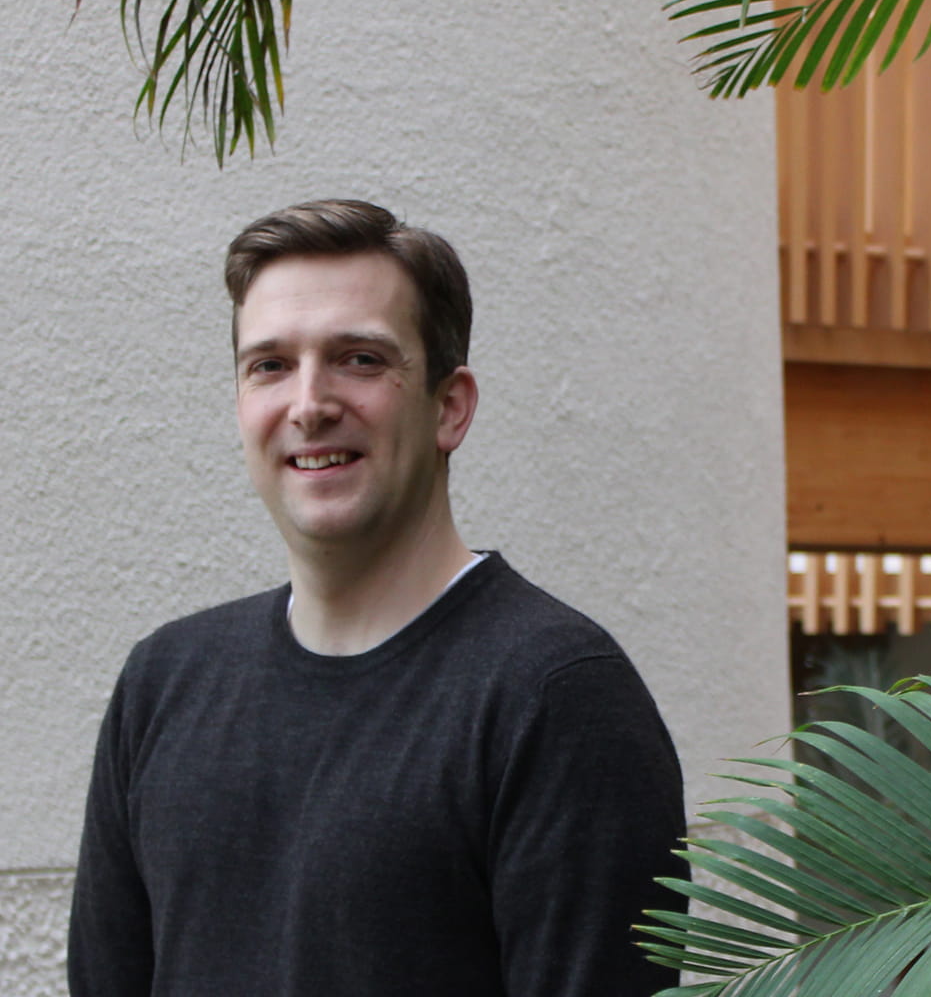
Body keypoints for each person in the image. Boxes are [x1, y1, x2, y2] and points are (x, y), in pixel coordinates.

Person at [68, 199, 688, 996]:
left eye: (360, 359)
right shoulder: (162, 685)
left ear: (449, 406)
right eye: (269, 365)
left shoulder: (557, 698)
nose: (309, 403)